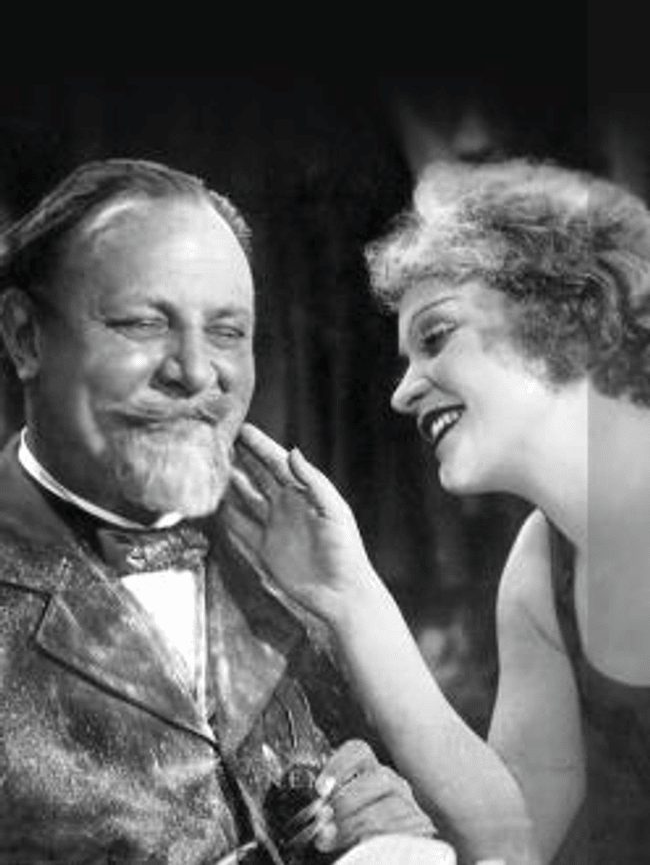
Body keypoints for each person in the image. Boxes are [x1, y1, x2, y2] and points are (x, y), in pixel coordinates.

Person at [0, 158, 442, 865]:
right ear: (26, 337)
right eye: (143, 323)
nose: (198, 370)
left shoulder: (303, 580)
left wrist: (387, 828)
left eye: (229, 332)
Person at [224, 159, 650, 865]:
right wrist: (349, 591)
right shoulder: (543, 568)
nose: (402, 392)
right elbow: (512, 838)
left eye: (436, 336)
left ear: (569, 317)